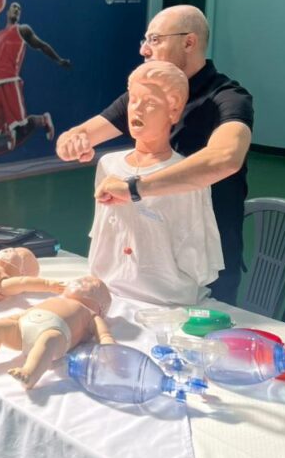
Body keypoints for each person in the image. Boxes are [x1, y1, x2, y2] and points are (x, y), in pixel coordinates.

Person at [56, 5, 253, 304]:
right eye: (145, 40)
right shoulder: (145, 91)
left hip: (203, 261)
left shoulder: (228, 98)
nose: (144, 49)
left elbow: (225, 157)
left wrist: (136, 188)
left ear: (189, 42)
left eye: (155, 39)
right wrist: (72, 142)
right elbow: (79, 134)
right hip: (143, 261)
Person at [88, 62, 224, 305]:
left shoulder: (185, 177)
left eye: (150, 102)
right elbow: (101, 232)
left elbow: (195, 252)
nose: (137, 109)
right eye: (133, 100)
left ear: (174, 111)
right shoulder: (108, 165)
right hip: (107, 290)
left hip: (164, 299)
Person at [0, 275, 114, 389]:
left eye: (93, 287)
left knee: (49, 340)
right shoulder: (54, 299)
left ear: (101, 308)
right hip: (24, 327)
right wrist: (3, 320)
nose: (84, 282)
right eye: (82, 280)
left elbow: (103, 335)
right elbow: (24, 313)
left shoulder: (90, 314)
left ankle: (30, 373)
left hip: (56, 333)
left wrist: (110, 348)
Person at [0, 0, 71, 150]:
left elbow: (42, 46)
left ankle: (42, 120)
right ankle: (9, 131)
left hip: (10, 80)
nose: (16, 10)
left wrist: (59, 60)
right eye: (13, 7)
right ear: (7, 12)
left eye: (19, 9)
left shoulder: (22, 30)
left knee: (22, 127)